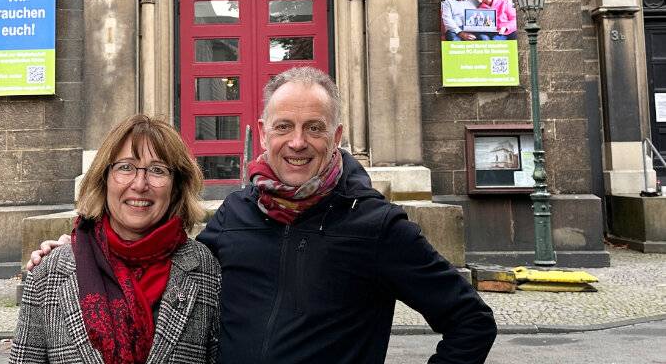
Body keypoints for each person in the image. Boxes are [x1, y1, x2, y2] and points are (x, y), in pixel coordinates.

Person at [29, 68, 496, 364]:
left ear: (336, 136)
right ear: (262, 133)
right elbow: (171, 262)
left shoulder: (376, 226)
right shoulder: (236, 213)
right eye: (284, 127)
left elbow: (471, 323)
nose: (297, 142)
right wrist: (81, 250)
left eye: (313, 128)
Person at [10, 114, 220, 364]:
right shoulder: (50, 273)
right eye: (125, 167)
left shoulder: (203, 267)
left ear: (176, 186)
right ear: (104, 178)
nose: (140, 184)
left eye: (157, 170)